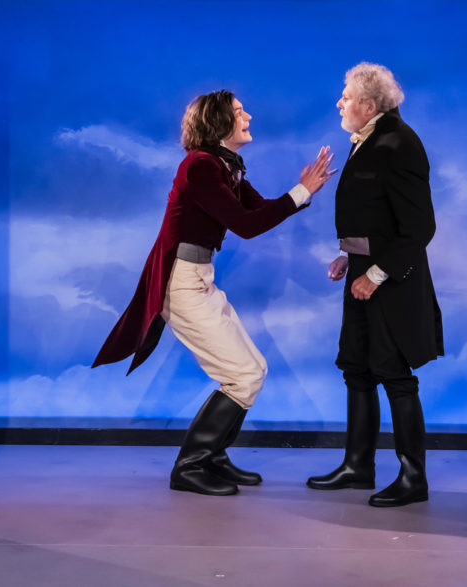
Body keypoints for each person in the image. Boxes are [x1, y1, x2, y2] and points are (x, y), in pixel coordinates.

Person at [93, 90, 334, 496]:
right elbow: (246, 224)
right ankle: (189, 467)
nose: (249, 116)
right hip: (182, 283)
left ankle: (214, 457)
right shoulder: (200, 167)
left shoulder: (223, 165)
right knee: (241, 375)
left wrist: (303, 191)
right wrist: (301, 190)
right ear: (219, 122)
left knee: (251, 370)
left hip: (199, 277)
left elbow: (259, 210)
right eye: (240, 112)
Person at [306, 63, 444, 507]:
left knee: (395, 375)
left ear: (368, 104)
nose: (339, 103)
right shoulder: (367, 140)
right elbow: (376, 215)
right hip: (365, 272)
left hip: (392, 284)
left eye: (345, 97)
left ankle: (412, 477)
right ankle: (357, 466)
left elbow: (419, 227)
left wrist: (376, 273)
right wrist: (351, 257)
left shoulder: (398, 143)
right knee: (357, 369)